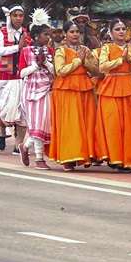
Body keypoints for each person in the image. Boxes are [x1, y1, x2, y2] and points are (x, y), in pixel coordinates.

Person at [94, 20, 131, 171]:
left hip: (130, 87)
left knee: (130, 125)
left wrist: (130, 59)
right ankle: (114, 157)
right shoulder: (106, 48)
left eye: (123, 29)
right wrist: (119, 60)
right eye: (117, 29)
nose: (121, 31)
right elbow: (102, 66)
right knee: (113, 124)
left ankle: (128, 158)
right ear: (111, 32)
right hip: (111, 87)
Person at [48, 21, 96, 170]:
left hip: (85, 88)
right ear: (65, 34)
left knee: (87, 122)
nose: (75, 34)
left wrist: (87, 62)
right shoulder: (61, 51)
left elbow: (97, 70)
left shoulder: (85, 49)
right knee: (70, 123)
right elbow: (61, 71)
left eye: (78, 32)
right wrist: (77, 61)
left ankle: (85, 155)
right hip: (66, 90)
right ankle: (68, 157)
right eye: (72, 32)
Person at [17, 23, 54, 169]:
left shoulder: (50, 50)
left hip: (47, 89)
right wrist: (36, 66)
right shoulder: (25, 51)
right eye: (46, 34)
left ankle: (25, 146)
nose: (48, 37)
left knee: (44, 123)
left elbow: (54, 71)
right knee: (38, 123)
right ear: (37, 36)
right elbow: (21, 73)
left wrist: (45, 62)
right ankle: (39, 158)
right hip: (31, 90)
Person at [0, 5, 28, 152]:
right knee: (5, 109)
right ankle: (1, 131)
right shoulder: (0, 32)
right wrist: (17, 47)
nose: (18, 18)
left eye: (21, 15)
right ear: (10, 17)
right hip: (6, 76)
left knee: (23, 111)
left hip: (22, 76)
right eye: (15, 15)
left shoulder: (26, 33)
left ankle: (18, 144)